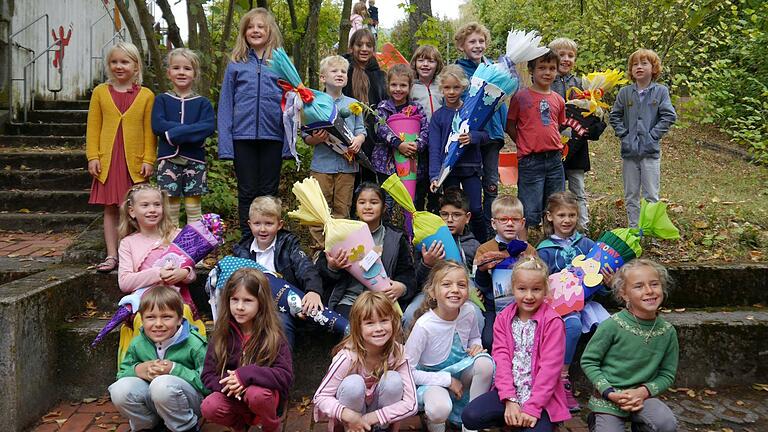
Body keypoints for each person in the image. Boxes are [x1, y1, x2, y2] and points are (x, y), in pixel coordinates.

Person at [462, 257, 570, 431]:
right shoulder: (503, 318)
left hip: (541, 398)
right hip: (510, 391)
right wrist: (509, 400)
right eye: (522, 289)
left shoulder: (553, 322)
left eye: (536, 289)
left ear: (545, 290)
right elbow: (501, 359)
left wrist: (532, 408)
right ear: (513, 288)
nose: (528, 296)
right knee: (471, 416)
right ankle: (508, 420)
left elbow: (550, 369)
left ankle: (541, 422)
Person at [580, 259, 679, 432]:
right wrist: (609, 392)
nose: (649, 291)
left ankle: (640, 425)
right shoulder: (612, 325)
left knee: (666, 424)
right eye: (639, 286)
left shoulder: (667, 331)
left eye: (654, 284)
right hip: (608, 399)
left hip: (642, 398)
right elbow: (589, 361)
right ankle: (596, 421)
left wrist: (642, 392)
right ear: (624, 294)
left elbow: (667, 374)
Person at [536, 191, 611, 412]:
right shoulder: (545, 250)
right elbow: (540, 282)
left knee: (611, 329)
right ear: (550, 217)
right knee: (573, 324)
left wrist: (606, 283)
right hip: (558, 306)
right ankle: (563, 377)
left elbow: (597, 282)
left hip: (587, 303)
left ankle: (609, 382)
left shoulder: (588, 245)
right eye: (561, 215)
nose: (567, 220)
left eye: (571, 215)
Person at [86, 41, 156, 273]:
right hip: (108, 159)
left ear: (136, 67)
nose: (119, 66)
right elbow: (93, 127)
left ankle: (135, 255)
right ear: (108, 65)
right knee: (110, 208)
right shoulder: (100, 93)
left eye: (124, 62)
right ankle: (112, 255)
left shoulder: (146, 96)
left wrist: (148, 159)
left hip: (133, 162)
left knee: (134, 208)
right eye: (114, 62)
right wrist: (92, 156)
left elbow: (149, 131)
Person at [218, 8, 285, 236]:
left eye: (261, 27)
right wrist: (226, 145)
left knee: (268, 192)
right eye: (250, 26)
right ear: (244, 32)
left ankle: (268, 241)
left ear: (270, 31)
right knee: (246, 192)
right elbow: (225, 106)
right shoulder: (235, 64)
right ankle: (248, 242)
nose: (255, 30)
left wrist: (289, 144)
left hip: (273, 136)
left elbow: (292, 105)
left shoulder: (281, 63)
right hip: (242, 137)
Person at [405, 260, 494, 432]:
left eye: (461, 285)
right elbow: (407, 371)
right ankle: (434, 422)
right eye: (447, 284)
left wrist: (475, 346)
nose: (455, 289)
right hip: (433, 381)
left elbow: (474, 337)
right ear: (432, 291)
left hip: (461, 372)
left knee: (485, 363)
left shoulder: (468, 311)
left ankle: (471, 424)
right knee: (440, 409)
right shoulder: (425, 326)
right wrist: (447, 380)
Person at [201, 268, 293, 432]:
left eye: (247, 300)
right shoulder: (221, 335)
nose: (240, 307)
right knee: (210, 405)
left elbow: (285, 376)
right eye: (234, 300)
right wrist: (230, 385)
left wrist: (245, 376)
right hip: (234, 398)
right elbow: (208, 375)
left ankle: (271, 427)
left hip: (264, 397)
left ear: (261, 302)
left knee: (256, 394)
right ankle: (241, 427)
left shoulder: (273, 336)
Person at [117, 183, 205, 354]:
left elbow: (192, 271)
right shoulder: (128, 243)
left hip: (177, 300)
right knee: (144, 321)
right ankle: (146, 363)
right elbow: (124, 282)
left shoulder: (177, 235)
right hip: (145, 302)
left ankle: (183, 361)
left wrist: (184, 273)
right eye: (145, 205)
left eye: (157, 205)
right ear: (132, 211)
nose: (152, 209)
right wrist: (158, 274)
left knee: (182, 315)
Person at [313, 291, 418, 431]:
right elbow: (320, 396)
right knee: (353, 384)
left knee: (393, 380)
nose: (379, 328)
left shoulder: (397, 353)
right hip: (351, 416)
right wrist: (348, 415)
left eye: (384, 320)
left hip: (380, 417)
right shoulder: (347, 358)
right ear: (358, 327)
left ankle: (382, 429)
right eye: (370, 323)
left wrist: (371, 418)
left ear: (393, 322)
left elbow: (411, 403)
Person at [109, 286, 208, 432]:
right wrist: (137, 370)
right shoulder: (138, 343)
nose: (158, 324)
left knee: (162, 384)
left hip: (188, 401)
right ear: (142, 320)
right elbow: (121, 375)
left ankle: (186, 427)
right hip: (153, 401)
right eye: (150, 317)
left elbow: (208, 384)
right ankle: (148, 426)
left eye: (166, 317)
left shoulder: (194, 344)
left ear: (179, 319)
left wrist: (175, 369)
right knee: (119, 389)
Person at [232, 196, 323, 348]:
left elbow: (306, 268)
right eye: (257, 223)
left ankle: (283, 369)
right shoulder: (242, 251)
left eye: (268, 224)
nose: (262, 229)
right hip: (251, 306)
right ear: (249, 224)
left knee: (281, 323)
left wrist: (313, 290)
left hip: (282, 307)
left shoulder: (288, 245)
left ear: (279, 224)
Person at [318, 183, 416, 317]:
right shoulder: (341, 232)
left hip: (382, 301)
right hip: (349, 301)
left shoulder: (395, 238)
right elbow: (320, 271)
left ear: (384, 208)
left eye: (374, 202)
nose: (368, 207)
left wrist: (402, 287)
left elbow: (407, 273)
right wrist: (332, 267)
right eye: (362, 202)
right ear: (356, 207)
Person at [304, 55, 366, 255]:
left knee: (342, 210)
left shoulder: (353, 103)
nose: (339, 74)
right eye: (334, 71)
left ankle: (339, 251)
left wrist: (359, 140)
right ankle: (319, 251)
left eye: (343, 72)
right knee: (318, 210)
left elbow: (361, 130)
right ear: (322, 78)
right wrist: (317, 139)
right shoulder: (312, 103)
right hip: (322, 165)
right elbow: (306, 137)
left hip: (347, 166)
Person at [609, 49, 677, 228]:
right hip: (629, 152)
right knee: (631, 193)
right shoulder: (625, 93)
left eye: (644, 63)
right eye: (635, 64)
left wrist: (653, 136)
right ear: (631, 70)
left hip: (650, 152)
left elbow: (669, 116)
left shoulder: (660, 91)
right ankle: (634, 229)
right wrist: (624, 135)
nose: (639, 67)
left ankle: (649, 229)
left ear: (653, 68)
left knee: (651, 194)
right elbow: (614, 116)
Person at [454, 22, 509, 239]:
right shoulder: (459, 71)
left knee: (491, 183)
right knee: (471, 180)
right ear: (461, 46)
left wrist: (502, 127)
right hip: (470, 135)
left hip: (493, 134)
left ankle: (490, 229)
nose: (477, 45)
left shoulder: (495, 68)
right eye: (472, 42)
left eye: (481, 41)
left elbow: (503, 99)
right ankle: (470, 227)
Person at [152, 48, 215, 227]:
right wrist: (191, 131)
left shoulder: (203, 103)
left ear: (195, 74)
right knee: (169, 205)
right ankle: (170, 246)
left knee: (193, 207)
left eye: (187, 68)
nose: (181, 72)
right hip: (168, 160)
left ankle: (194, 249)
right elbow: (158, 125)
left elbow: (208, 127)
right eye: (176, 68)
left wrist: (172, 133)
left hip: (194, 160)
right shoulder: (161, 100)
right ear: (168, 72)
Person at [404, 186, 482, 329]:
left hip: (462, 296)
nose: (449, 220)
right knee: (409, 315)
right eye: (444, 214)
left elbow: (478, 276)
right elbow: (414, 280)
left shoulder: (473, 246)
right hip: (430, 294)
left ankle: (473, 350)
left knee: (477, 317)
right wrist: (426, 263)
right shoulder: (427, 242)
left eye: (456, 215)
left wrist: (478, 289)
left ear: (468, 217)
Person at [549, 38, 606, 229]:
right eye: (561, 55)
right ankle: (555, 229)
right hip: (552, 145)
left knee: (578, 189)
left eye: (570, 56)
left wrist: (596, 124)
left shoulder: (582, 84)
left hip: (577, 146)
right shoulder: (546, 82)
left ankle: (582, 228)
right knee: (556, 190)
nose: (566, 59)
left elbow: (591, 113)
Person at [506, 49, 566, 232]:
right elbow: (509, 125)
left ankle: (552, 242)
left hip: (555, 160)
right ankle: (525, 246)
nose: (547, 72)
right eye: (542, 68)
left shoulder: (558, 100)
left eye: (552, 68)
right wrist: (524, 143)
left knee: (556, 204)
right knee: (530, 209)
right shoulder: (520, 97)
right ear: (531, 69)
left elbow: (559, 125)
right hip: (531, 161)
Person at [427, 65, 487, 242]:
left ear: (464, 87)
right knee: (452, 210)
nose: (451, 92)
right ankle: (455, 245)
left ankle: (480, 244)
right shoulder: (438, 117)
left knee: (475, 209)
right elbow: (435, 147)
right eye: (447, 87)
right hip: (449, 171)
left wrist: (472, 137)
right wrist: (434, 176)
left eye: (456, 87)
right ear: (441, 89)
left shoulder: (471, 111)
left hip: (471, 168)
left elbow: (485, 136)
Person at [473, 195, 537, 348]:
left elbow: (538, 281)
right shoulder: (484, 250)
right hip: (493, 307)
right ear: (494, 223)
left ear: (522, 223)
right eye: (503, 219)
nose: (509, 223)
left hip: (524, 306)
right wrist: (483, 270)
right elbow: (479, 285)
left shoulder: (529, 250)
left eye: (515, 219)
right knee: (489, 340)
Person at [374, 64, 429, 193]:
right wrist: (398, 144)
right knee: (389, 198)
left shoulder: (417, 108)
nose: (398, 89)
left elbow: (425, 129)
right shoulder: (383, 107)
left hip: (411, 162)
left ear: (410, 87)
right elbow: (381, 129)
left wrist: (417, 144)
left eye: (403, 85)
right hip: (386, 164)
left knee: (411, 197)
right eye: (394, 85)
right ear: (387, 86)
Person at [343, 28, 388, 185]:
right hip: (347, 136)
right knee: (349, 181)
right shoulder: (343, 72)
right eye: (359, 44)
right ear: (351, 47)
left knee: (370, 181)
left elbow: (386, 105)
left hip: (373, 138)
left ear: (373, 49)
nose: (364, 49)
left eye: (368, 45)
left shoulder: (380, 76)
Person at [410, 45, 444, 213]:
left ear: (437, 64)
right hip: (418, 142)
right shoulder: (411, 87)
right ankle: (416, 217)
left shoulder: (442, 86)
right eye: (421, 60)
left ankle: (434, 213)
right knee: (419, 183)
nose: (425, 64)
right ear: (415, 63)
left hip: (439, 142)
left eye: (430, 61)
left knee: (436, 182)